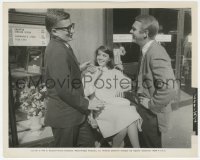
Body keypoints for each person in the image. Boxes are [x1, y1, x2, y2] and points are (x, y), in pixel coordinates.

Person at [44, 9, 104, 147]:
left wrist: (78, 68)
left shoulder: (62, 44)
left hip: (74, 115)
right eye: (67, 28)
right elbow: (63, 89)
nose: (72, 31)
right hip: (65, 118)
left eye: (72, 26)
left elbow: (62, 73)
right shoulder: (57, 50)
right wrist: (87, 104)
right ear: (54, 31)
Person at [130, 15, 178, 148]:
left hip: (151, 114)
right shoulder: (146, 50)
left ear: (145, 33)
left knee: (151, 148)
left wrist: (152, 104)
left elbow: (170, 88)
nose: (130, 31)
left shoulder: (156, 53)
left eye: (134, 29)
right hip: (145, 110)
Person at [83, 46, 142, 148]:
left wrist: (121, 88)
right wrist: (96, 75)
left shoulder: (114, 71)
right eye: (99, 55)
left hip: (115, 107)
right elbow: (86, 92)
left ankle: (137, 151)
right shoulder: (91, 71)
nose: (100, 58)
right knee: (127, 119)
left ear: (109, 58)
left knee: (129, 118)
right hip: (101, 109)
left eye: (104, 55)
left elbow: (128, 83)